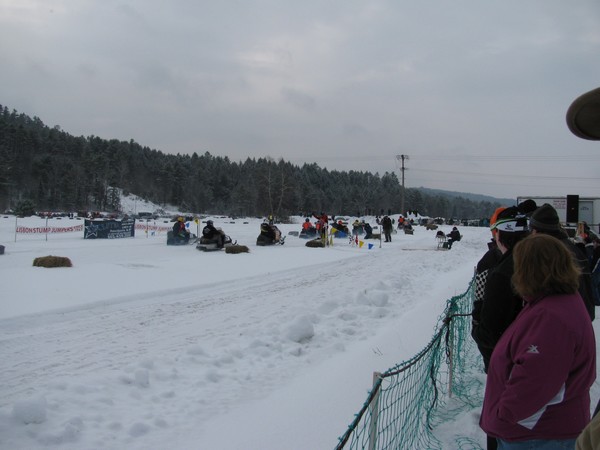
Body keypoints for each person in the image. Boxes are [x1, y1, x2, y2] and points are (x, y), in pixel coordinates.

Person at [480, 234, 596, 449]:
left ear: (530, 270)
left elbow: (536, 380)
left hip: (537, 434)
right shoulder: (556, 302)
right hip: (541, 430)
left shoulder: (552, 317)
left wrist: (504, 413)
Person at [472, 206, 529, 372]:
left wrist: (476, 330)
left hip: (506, 357)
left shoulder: (501, 272)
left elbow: (488, 328)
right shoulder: (539, 261)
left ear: (498, 234)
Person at [529, 203, 596, 320]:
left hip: (566, 324)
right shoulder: (571, 249)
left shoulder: (554, 256)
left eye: (531, 230)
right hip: (580, 322)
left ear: (536, 231)